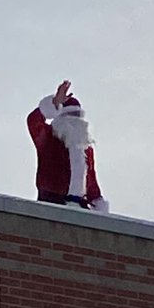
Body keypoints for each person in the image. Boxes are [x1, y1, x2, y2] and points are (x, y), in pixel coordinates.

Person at [27, 80, 109, 211]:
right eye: (70, 116)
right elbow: (33, 120)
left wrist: (97, 202)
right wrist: (54, 103)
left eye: (77, 117)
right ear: (59, 118)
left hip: (80, 207)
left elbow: (91, 180)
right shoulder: (49, 137)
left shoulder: (85, 147)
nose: (75, 122)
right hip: (50, 201)